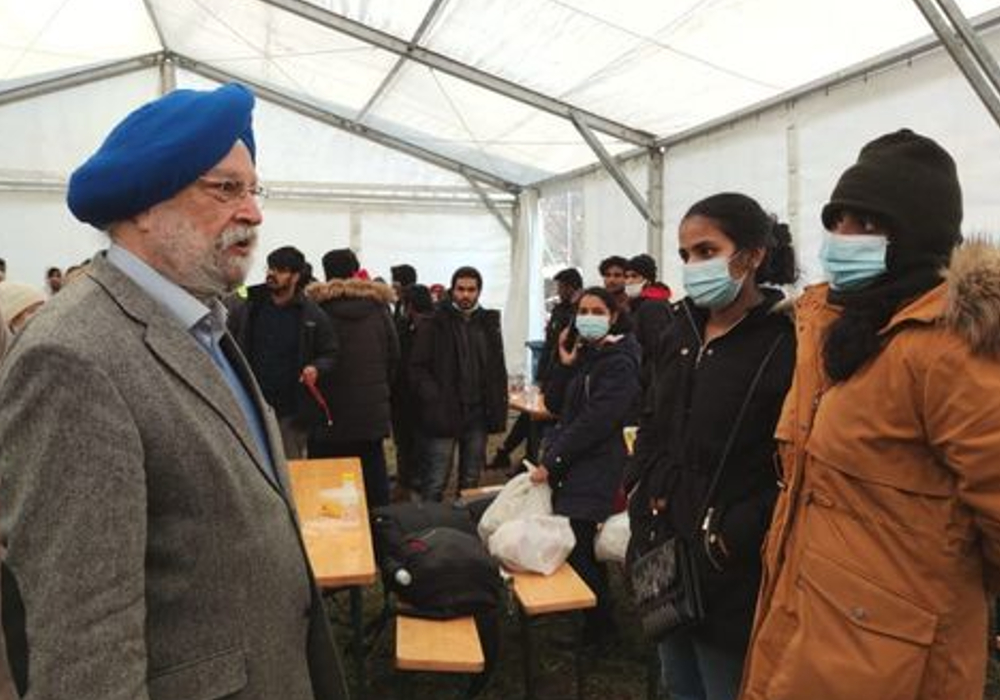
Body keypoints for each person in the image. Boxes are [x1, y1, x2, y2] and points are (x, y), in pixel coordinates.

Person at [0, 83, 347, 700]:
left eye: (253, 189)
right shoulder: (72, 355)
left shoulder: (204, 321)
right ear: (141, 207)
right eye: (225, 189)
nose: (254, 213)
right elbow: (86, 645)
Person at [742, 129, 1000, 700]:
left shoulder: (950, 348)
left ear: (916, 235)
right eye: (837, 221)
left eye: (867, 224)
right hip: (812, 625)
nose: (843, 238)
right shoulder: (838, 332)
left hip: (897, 662)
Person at [627, 193, 796, 700]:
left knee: (723, 682)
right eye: (685, 256)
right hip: (665, 543)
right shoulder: (678, 330)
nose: (693, 266)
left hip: (730, 562)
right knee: (677, 678)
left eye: (706, 251)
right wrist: (641, 486)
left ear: (752, 255)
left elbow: (795, 460)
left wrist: (736, 531)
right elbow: (654, 418)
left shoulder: (784, 343)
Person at [532, 285, 640, 646]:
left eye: (597, 312)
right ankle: (594, 619)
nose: (589, 318)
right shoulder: (588, 356)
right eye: (583, 311)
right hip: (578, 462)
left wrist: (553, 460)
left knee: (580, 544)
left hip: (601, 464)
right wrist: (564, 363)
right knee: (576, 541)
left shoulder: (620, 362)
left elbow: (596, 421)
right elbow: (554, 404)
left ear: (613, 317)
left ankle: (601, 628)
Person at [307, 247, 399, 508]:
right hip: (370, 412)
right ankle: (381, 536)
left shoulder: (315, 310)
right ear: (355, 270)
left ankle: (332, 538)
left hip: (327, 411)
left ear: (325, 272)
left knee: (327, 484)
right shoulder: (379, 309)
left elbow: (307, 358)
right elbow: (394, 357)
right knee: (373, 481)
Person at [229, 245, 338, 458]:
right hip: (251, 405)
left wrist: (316, 367)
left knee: (290, 468)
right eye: (270, 268)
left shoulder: (311, 315)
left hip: (290, 412)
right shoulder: (249, 305)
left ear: (296, 276)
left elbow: (330, 352)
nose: (271, 274)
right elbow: (229, 340)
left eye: (280, 270)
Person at [410, 266, 508, 501]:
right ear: (452, 290)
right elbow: (417, 367)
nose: (466, 295)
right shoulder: (434, 322)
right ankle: (427, 531)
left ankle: (464, 528)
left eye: (471, 290)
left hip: (477, 414)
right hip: (443, 412)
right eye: (461, 289)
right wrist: (433, 397)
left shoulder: (487, 322)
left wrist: (496, 402)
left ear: (479, 292)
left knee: (470, 480)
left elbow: (496, 367)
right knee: (436, 480)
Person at [489, 267, 582, 470]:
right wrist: (541, 376)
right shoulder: (558, 310)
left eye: (562, 287)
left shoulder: (579, 314)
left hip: (567, 378)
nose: (559, 291)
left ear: (573, 288)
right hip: (550, 375)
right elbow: (549, 347)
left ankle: (527, 460)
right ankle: (508, 453)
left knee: (537, 418)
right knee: (530, 414)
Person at [390, 283, 435, 497]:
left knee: (408, 442)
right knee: (417, 443)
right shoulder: (436, 325)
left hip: (408, 396)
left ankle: (407, 481)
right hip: (420, 396)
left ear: (409, 305)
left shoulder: (407, 327)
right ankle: (411, 480)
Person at [624, 253, 673, 357]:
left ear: (648, 280)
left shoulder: (653, 306)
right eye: (626, 276)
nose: (629, 281)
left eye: (634, 276)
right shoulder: (638, 304)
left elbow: (655, 348)